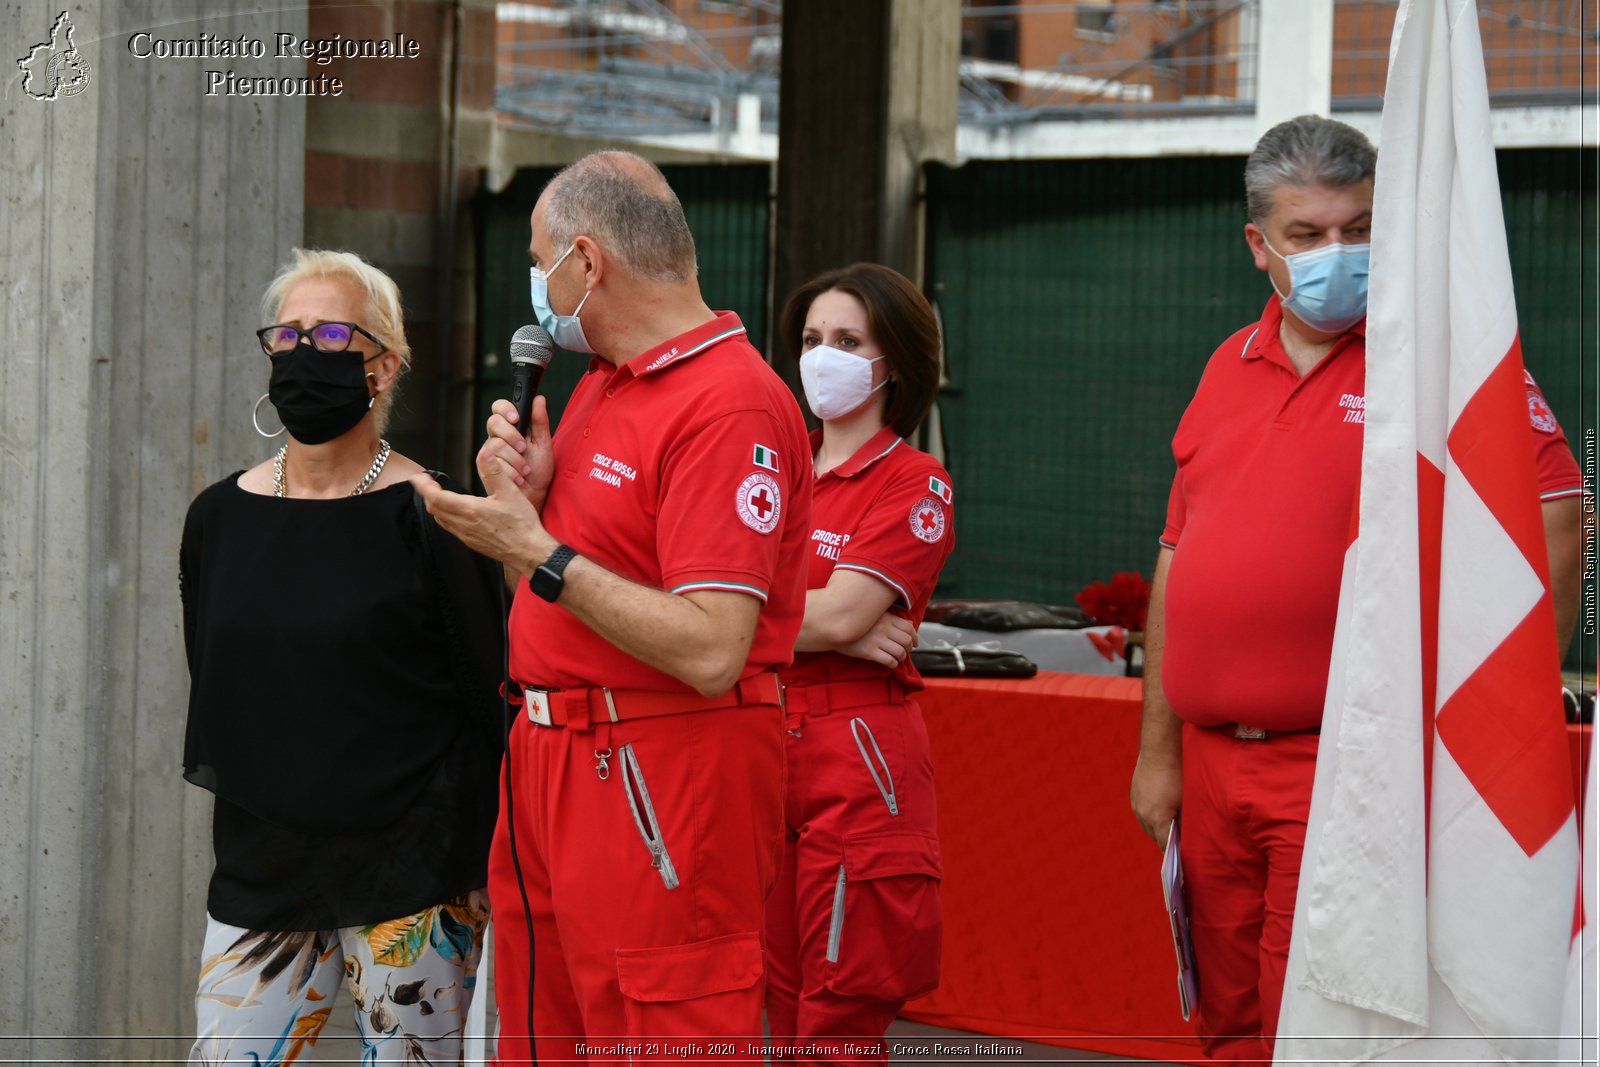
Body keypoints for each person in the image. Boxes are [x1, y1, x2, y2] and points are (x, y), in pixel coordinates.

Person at [1128, 115, 1587, 1063]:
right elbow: (1178, 556)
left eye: (1361, 228)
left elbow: (1556, 514)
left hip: (1347, 765)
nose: (1340, 252)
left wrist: (1483, 728)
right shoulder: (1225, 365)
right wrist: (1158, 753)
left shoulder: (1439, 359)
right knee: (1224, 1017)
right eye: (1309, 235)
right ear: (1260, 246)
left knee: (1319, 1020)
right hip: (1213, 770)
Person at [412, 151, 813, 1066]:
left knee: (661, 1028)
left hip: (660, 767)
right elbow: (554, 601)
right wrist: (536, 514)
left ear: (587, 264)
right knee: (544, 1033)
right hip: (554, 756)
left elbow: (715, 647)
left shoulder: (729, 403)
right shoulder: (602, 384)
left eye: (539, 257)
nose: (535, 283)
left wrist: (535, 546)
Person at [181, 249, 506, 1064]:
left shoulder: (435, 514)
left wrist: (479, 868)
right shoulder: (218, 519)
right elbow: (219, 684)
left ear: (385, 362)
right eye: (286, 334)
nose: (302, 352)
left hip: (415, 875)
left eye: (330, 332)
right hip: (264, 867)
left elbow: (485, 696)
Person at [764, 263, 954, 1062]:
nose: (821, 357)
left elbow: (837, 613)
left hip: (857, 757)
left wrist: (811, 622)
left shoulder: (915, 482)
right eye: (810, 340)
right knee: (761, 994)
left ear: (895, 363)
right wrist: (824, 624)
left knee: (839, 1011)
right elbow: (686, 593)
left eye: (847, 341)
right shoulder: (770, 466)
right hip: (760, 740)